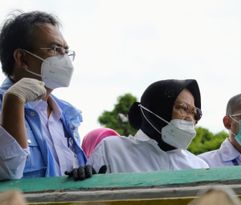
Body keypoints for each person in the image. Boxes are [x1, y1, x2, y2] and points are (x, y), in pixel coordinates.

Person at [0, 11, 85, 180]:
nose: (64, 58)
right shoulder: (5, 103)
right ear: (22, 58)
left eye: (66, 50)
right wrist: (14, 101)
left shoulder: (67, 114)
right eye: (55, 49)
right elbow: (7, 172)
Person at [88, 79, 208, 173]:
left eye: (195, 113)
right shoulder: (113, 150)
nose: (190, 118)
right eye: (183, 108)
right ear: (158, 109)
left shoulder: (198, 167)